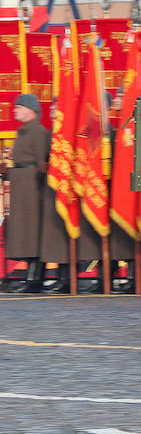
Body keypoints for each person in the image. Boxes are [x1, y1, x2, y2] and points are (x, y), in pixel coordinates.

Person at [1, 94, 49, 293]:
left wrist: (37, 189)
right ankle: (30, 277)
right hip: (22, 187)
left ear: (30, 109)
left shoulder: (38, 131)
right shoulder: (23, 132)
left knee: (33, 233)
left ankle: (34, 278)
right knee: (25, 233)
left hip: (31, 189)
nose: (15, 110)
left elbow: (42, 163)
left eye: (19, 107)